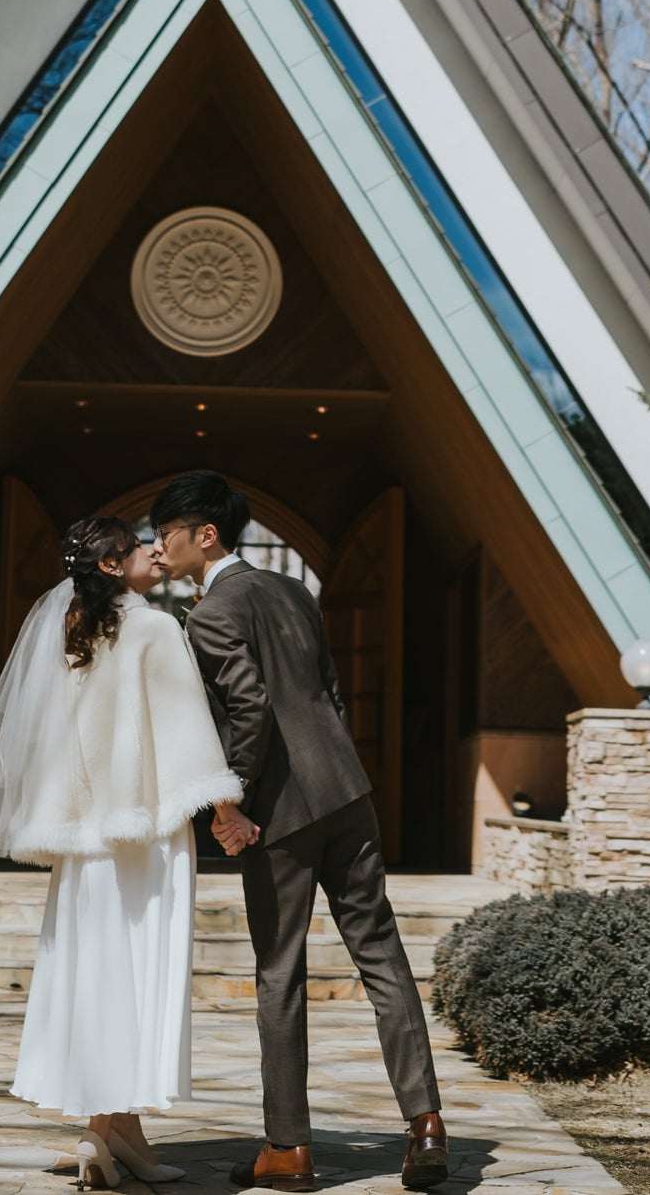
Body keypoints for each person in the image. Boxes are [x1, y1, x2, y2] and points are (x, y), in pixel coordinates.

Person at [153, 472, 449, 1195]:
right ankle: (427, 1122)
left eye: (166, 532)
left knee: (279, 972)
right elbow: (329, 691)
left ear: (205, 534)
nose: (159, 545)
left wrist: (231, 802)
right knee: (381, 953)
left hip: (279, 811)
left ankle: (287, 1148)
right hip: (347, 788)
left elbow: (248, 707)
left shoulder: (211, 612)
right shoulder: (292, 592)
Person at [0, 514, 246, 1190]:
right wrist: (223, 803)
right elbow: (184, 726)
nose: (152, 548)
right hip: (141, 834)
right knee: (136, 974)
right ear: (113, 565)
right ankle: (97, 1130)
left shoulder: (70, 635)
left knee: (95, 975)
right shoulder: (154, 627)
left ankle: (121, 1137)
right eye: (138, 544)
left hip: (84, 843)